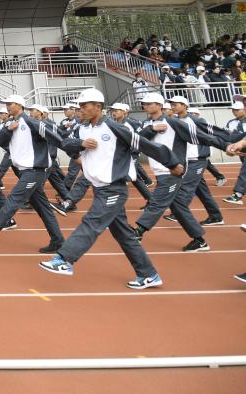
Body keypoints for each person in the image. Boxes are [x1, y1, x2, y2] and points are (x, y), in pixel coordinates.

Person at [38, 89, 182, 289]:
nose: (81, 109)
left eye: (84, 105)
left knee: (92, 221)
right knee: (124, 235)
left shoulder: (114, 127)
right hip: (99, 188)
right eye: (80, 106)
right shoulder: (82, 128)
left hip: (114, 189)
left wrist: (172, 163)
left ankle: (64, 259)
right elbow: (66, 143)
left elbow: (144, 144)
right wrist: (80, 143)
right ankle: (148, 274)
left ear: (98, 106)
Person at [134, 94, 227, 251]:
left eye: (149, 103)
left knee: (157, 201)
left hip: (172, 171)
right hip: (159, 171)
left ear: (159, 105)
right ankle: (199, 241)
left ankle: (138, 232)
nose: (145, 106)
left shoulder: (173, 122)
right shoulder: (146, 124)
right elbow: (136, 141)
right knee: (178, 207)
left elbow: (202, 136)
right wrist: (151, 129)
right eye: (144, 104)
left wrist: (226, 146)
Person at [0, 94, 66, 254]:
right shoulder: (9, 123)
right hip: (25, 171)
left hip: (35, 170)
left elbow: (57, 138)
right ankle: (58, 240)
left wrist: (77, 150)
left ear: (19, 105)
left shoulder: (32, 122)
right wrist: (8, 130)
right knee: (43, 209)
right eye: (6, 104)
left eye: (10, 104)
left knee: (14, 198)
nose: (7, 107)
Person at [222, 100, 246, 205]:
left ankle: (238, 194)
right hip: (240, 151)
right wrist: (230, 148)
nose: (234, 112)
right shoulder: (231, 123)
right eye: (233, 110)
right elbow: (226, 137)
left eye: (237, 110)